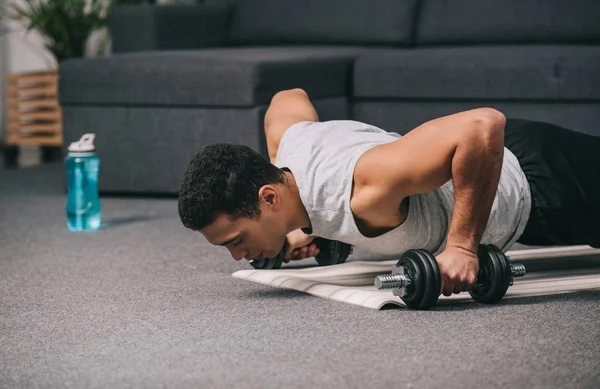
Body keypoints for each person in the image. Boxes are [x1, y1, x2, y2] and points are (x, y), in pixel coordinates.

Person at [178, 88, 600, 297]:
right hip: (513, 162)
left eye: (236, 240)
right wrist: (294, 228)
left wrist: (462, 248)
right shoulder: (287, 148)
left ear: (269, 197)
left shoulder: (362, 192)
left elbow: (482, 125)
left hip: (543, 186)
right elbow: (287, 97)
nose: (236, 255)